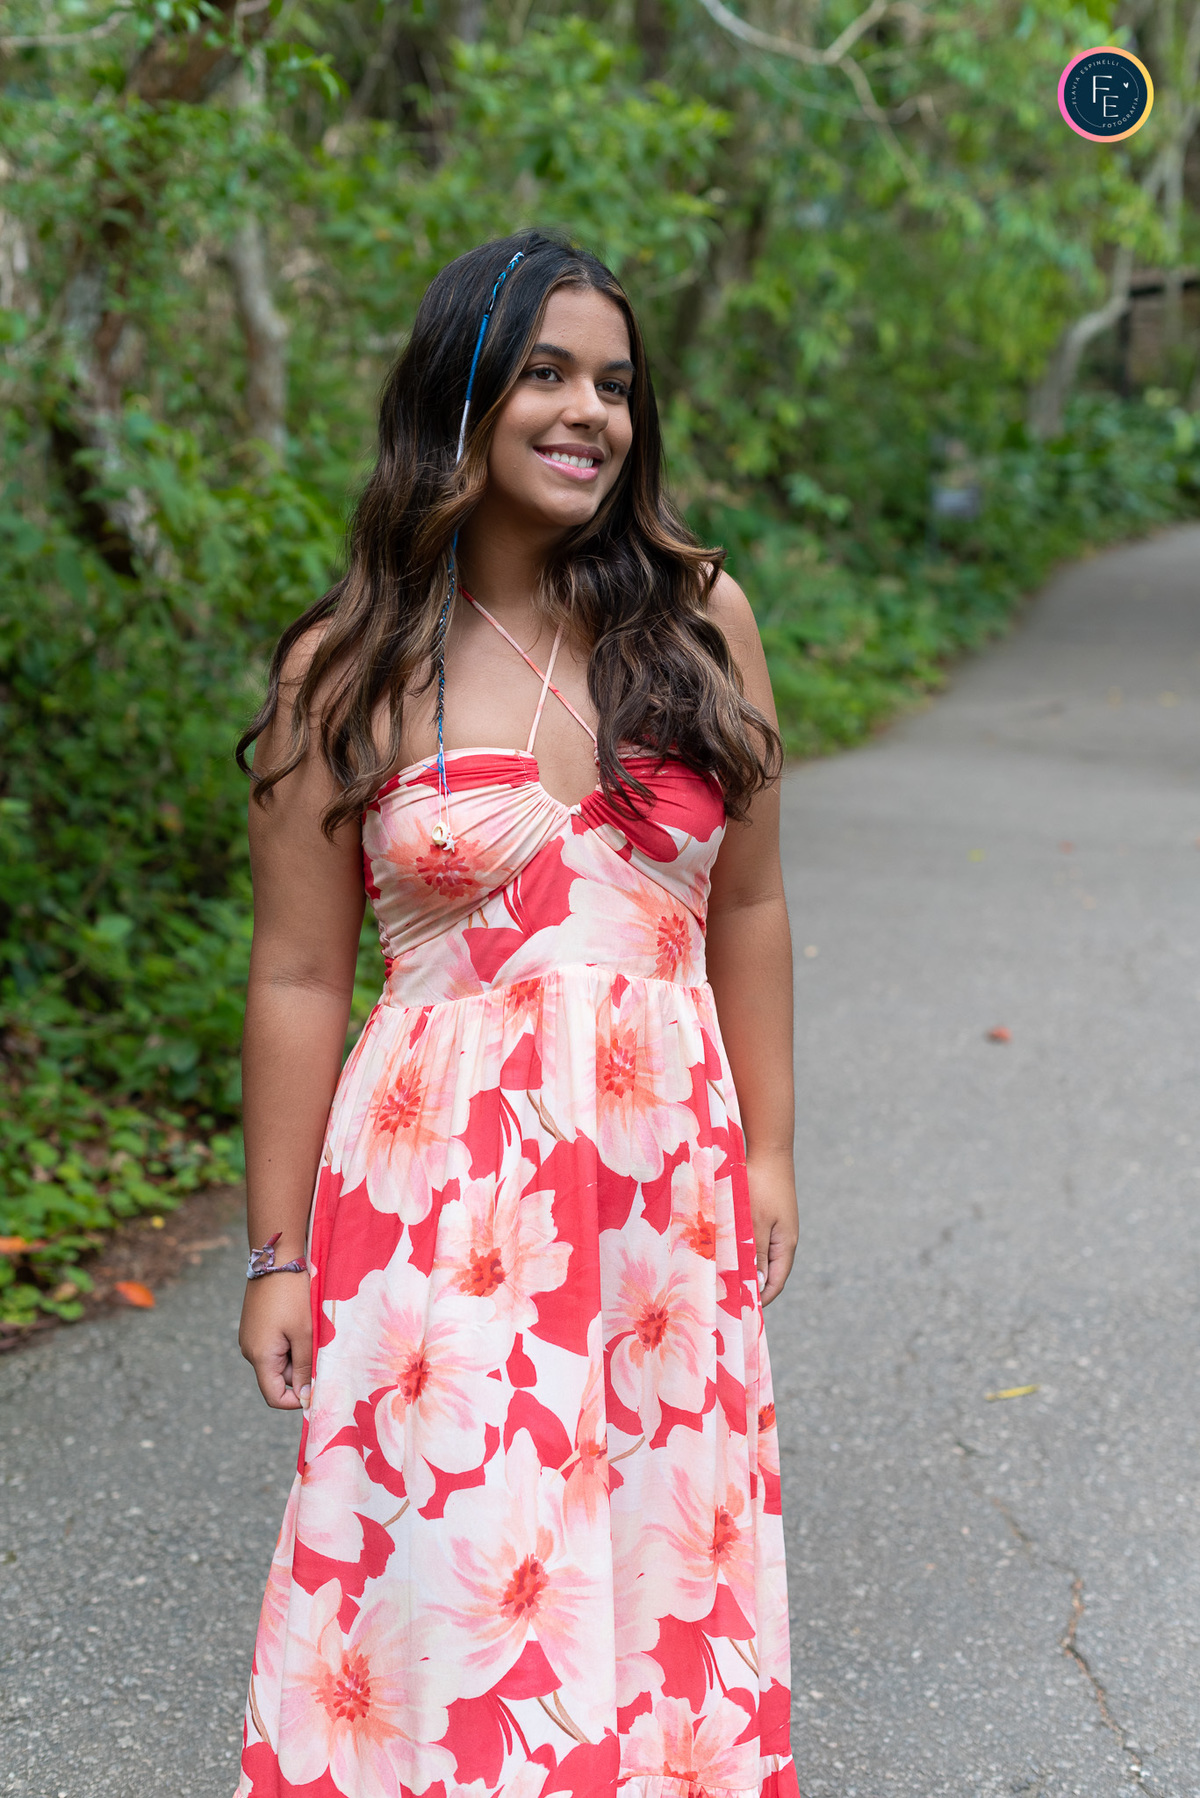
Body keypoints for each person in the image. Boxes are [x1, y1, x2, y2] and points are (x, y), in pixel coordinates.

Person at [232, 229, 799, 1798]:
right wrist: (277, 1253)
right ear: (462, 393)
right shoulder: (350, 664)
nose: (588, 411)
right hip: (441, 1201)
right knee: (473, 1570)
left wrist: (769, 1148)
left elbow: (750, 906)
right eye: (546, 372)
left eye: (615, 383)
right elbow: (296, 974)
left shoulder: (701, 618)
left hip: (663, 1195)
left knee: (662, 1554)